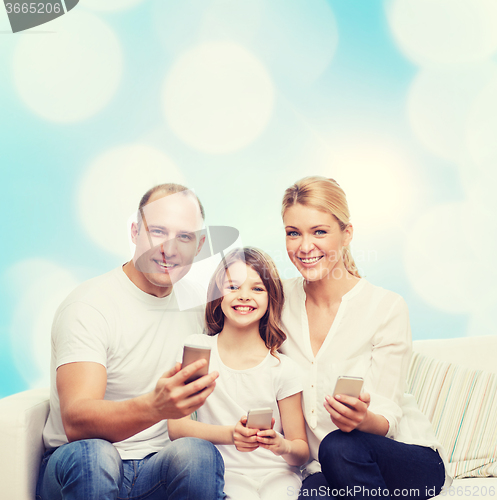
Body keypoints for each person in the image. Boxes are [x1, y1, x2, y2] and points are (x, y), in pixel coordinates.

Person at [36, 184, 225, 500]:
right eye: (158, 231)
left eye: (185, 237)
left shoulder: (198, 304)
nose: (170, 248)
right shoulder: (90, 304)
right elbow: (77, 421)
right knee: (96, 456)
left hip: (155, 469)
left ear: (200, 244)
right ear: (135, 232)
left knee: (197, 453)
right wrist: (155, 406)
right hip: (80, 467)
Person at [279, 176, 451, 500]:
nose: (304, 247)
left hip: (406, 458)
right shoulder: (277, 301)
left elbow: (388, 416)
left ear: (347, 234)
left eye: (319, 231)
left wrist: (364, 418)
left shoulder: (386, 307)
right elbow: (227, 308)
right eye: (293, 233)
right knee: (313, 493)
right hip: (327, 468)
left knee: (339, 445)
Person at [168, 247, 309, 500]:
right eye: (233, 287)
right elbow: (177, 427)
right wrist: (231, 436)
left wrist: (282, 444)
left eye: (257, 288)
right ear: (217, 295)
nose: (244, 296)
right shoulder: (199, 350)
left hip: (278, 473)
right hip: (226, 473)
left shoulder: (284, 368)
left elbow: (300, 450)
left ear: (271, 299)